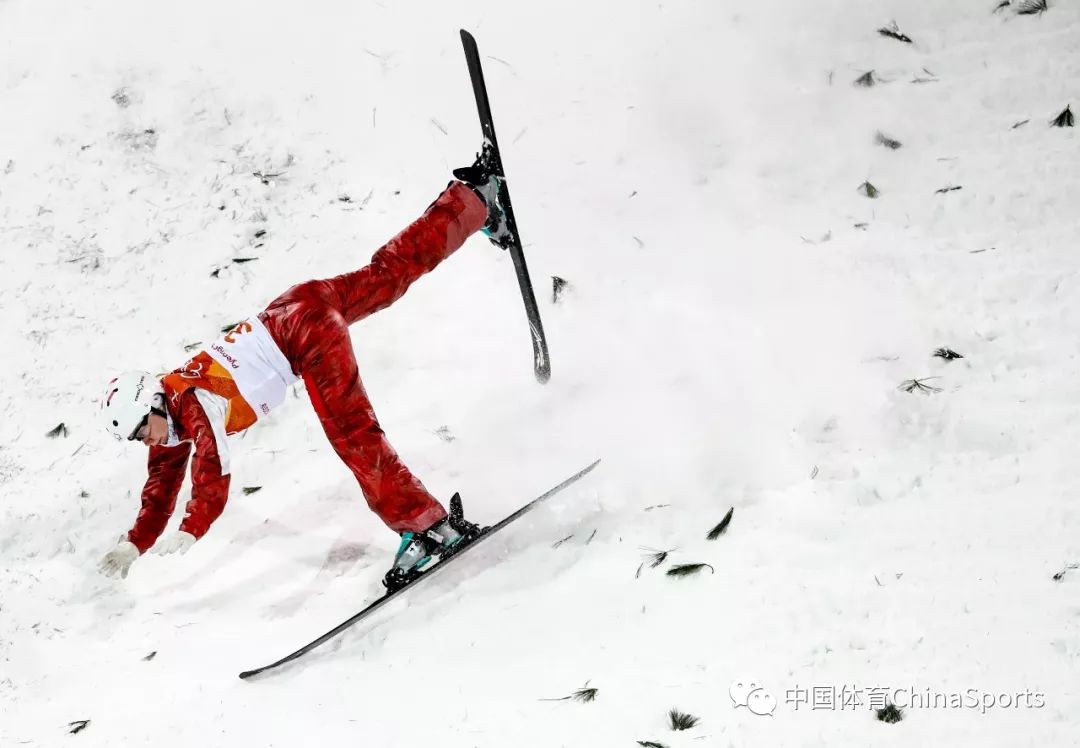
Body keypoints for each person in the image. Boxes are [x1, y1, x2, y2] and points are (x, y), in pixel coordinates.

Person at [98, 147, 509, 591]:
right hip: (298, 303)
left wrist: (191, 528)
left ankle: (427, 528)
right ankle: (472, 201)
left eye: (144, 430)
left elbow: (212, 468)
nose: (148, 441)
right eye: (139, 438)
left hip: (304, 334)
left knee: (352, 433)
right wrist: (133, 545)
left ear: (153, 402)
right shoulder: (169, 415)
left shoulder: (194, 402)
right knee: (387, 274)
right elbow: (160, 485)